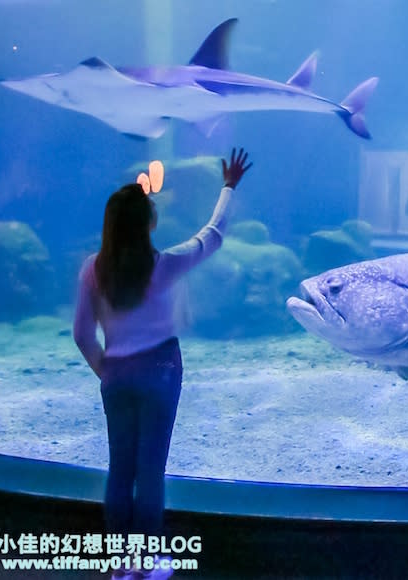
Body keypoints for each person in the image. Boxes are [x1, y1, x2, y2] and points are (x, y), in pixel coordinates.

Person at [73, 148, 252, 579]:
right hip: (160, 373)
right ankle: (143, 565)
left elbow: (82, 335)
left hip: (116, 375)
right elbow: (214, 234)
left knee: (120, 470)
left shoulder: (91, 271)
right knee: (150, 471)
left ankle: (119, 565)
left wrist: (109, 369)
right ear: (149, 224)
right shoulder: (165, 265)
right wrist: (228, 186)